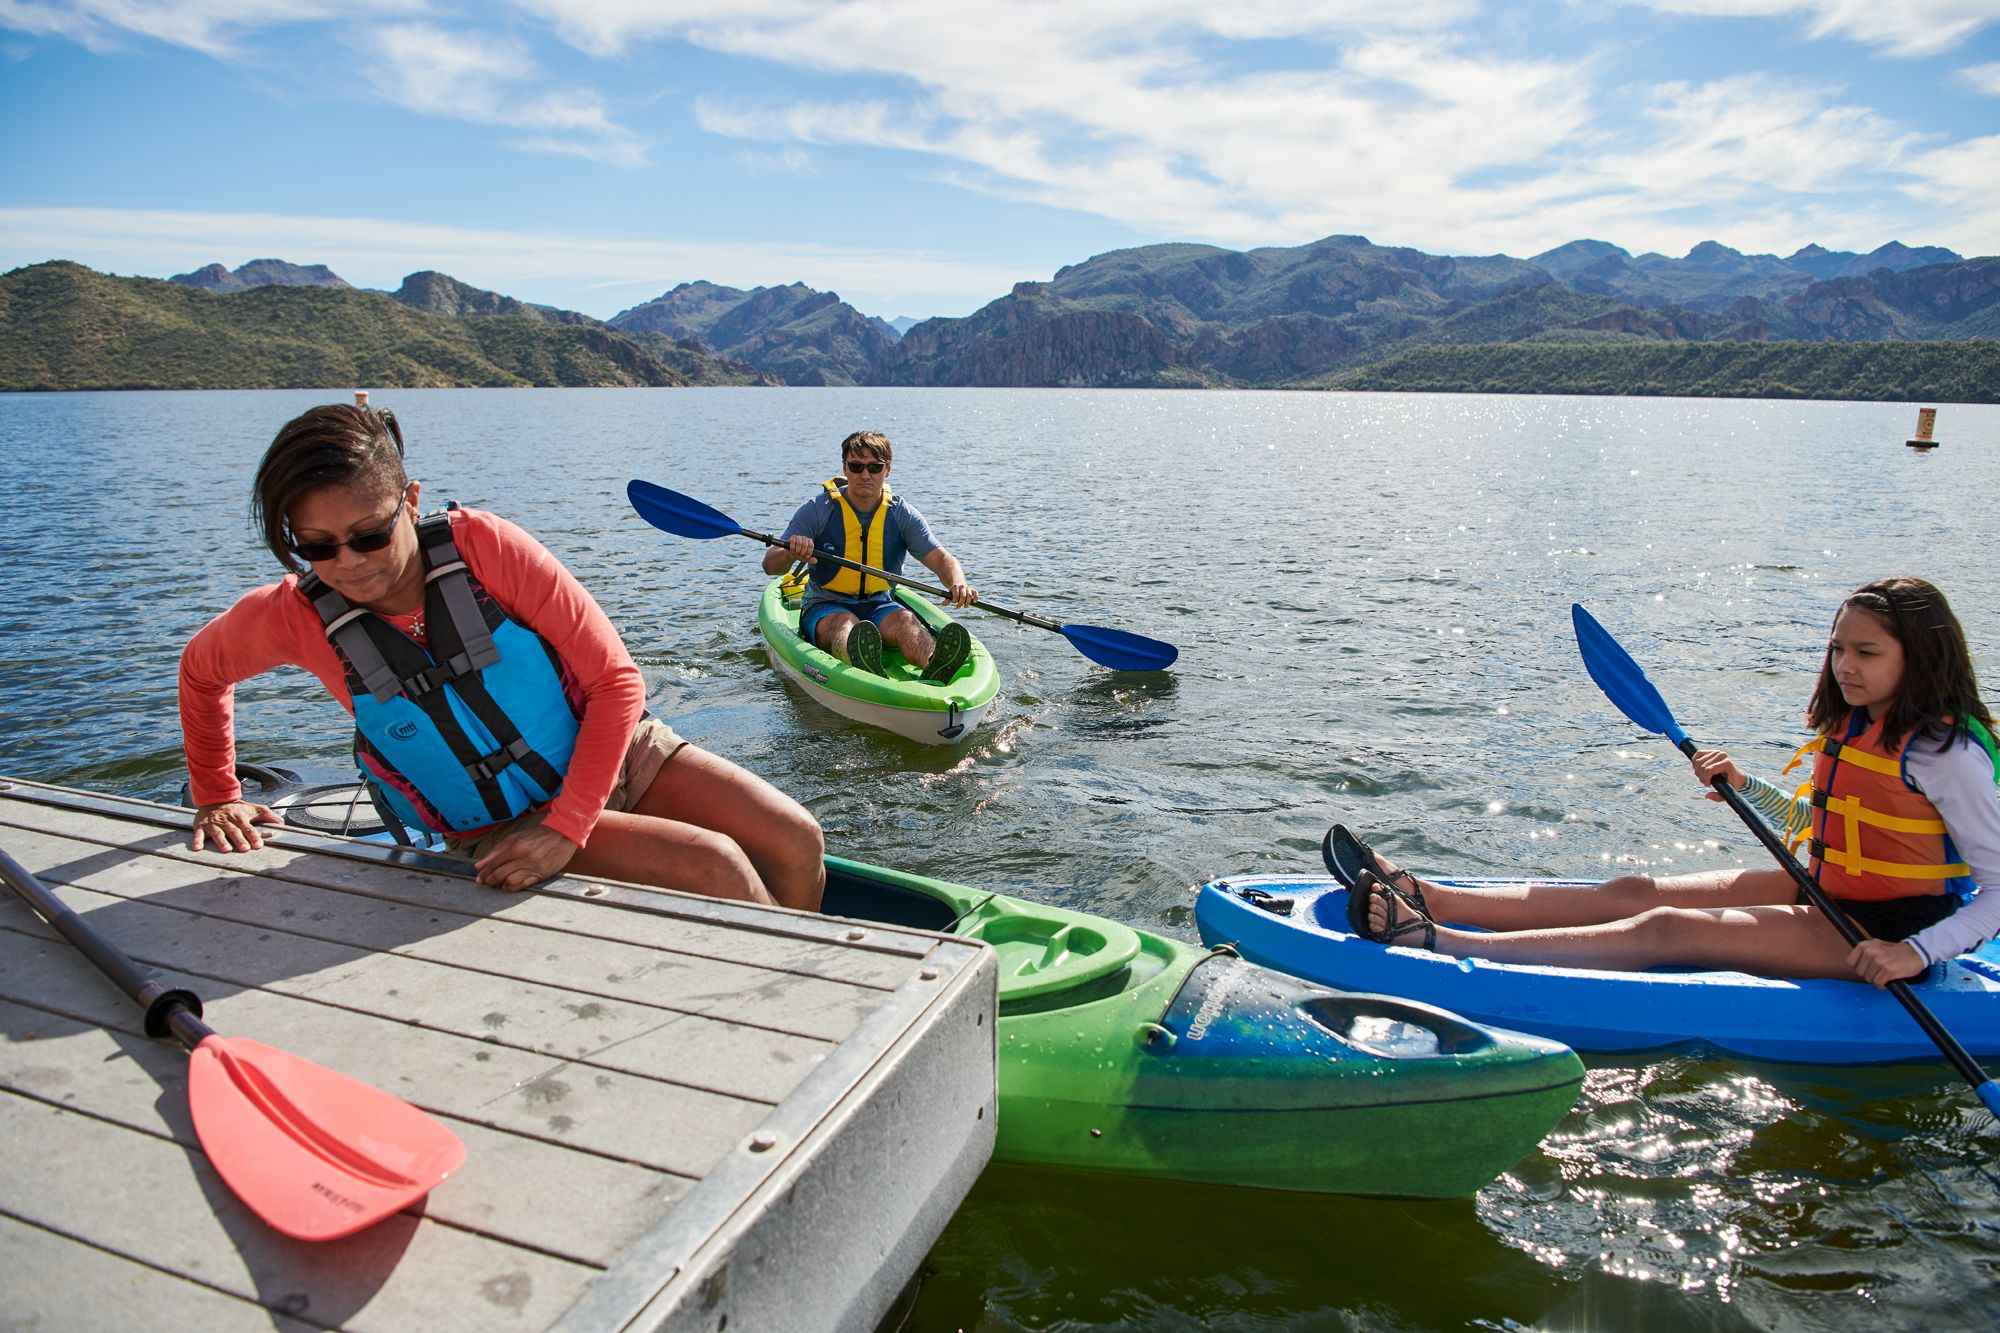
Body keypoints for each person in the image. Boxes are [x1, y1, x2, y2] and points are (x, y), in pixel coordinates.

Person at [180, 401, 824, 908]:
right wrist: (216, 793)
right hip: (501, 822)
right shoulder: (291, 615)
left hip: (618, 755)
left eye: (370, 534)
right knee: (715, 866)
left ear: (409, 502)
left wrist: (569, 825)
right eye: (318, 546)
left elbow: (616, 683)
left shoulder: (486, 549)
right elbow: (201, 671)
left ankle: (817, 989)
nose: (347, 562)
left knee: (796, 838)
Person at [1339, 576, 2000, 987]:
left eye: (1866, 653)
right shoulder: (1860, 725)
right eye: (1837, 648)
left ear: (1918, 658)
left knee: (1666, 926)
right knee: (1633, 889)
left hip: (1880, 928)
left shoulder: (1947, 752)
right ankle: (1434, 896)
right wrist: (1748, 786)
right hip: (1824, 886)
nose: (1845, 667)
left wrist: (1915, 952)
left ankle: (1434, 939)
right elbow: (1828, 825)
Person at [762, 430, 977, 681]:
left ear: (887, 470)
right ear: (845, 468)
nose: (865, 475)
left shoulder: (901, 514)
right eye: (856, 466)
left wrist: (957, 582)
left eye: (874, 467)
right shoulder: (818, 510)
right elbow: (771, 565)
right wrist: (789, 551)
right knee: (845, 623)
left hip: (879, 604)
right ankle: (860, 667)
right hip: (825, 606)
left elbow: (942, 559)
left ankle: (934, 665)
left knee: (906, 620)